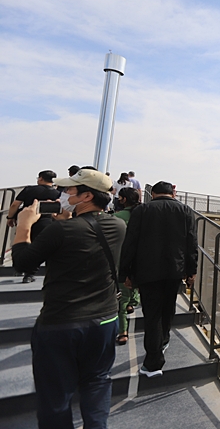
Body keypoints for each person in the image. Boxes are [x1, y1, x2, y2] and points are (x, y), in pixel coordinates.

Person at [12, 169, 125, 429]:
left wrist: (25, 225)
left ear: (86, 195)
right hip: (105, 320)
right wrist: (67, 218)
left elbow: (22, 263)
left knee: (55, 394)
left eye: (69, 191)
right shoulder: (119, 226)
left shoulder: (59, 231)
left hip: (61, 322)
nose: (63, 195)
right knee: (97, 382)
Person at [119, 181, 197, 377]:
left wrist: (125, 273)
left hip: (147, 271)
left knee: (152, 314)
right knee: (167, 308)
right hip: (174, 270)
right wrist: (191, 271)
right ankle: (163, 340)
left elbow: (130, 243)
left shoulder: (142, 210)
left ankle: (153, 362)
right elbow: (191, 244)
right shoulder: (186, 211)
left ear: (152, 193)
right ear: (173, 194)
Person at [6, 170, 62, 283]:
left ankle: (18, 268)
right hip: (46, 222)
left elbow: (15, 204)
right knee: (37, 248)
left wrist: (10, 217)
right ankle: (29, 274)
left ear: (41, 178)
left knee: (21, 242)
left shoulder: (29, 189)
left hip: (26, 219)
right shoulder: (57, 193)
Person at [113, 187, 141, 346]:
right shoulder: (144, 216)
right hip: (140, 259)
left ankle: (122, 331)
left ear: (123, 199)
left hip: (122, 258)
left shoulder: (117, 217)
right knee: (134, 284)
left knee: (121, 297)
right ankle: (133, 302)